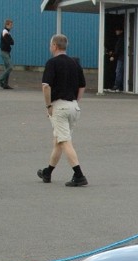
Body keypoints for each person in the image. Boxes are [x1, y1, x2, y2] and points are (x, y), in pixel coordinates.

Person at [37, 34, 88, 187]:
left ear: (54, 46)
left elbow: (46, 86)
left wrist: (48, 106)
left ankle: (79, 175)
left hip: (59, 106)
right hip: (73, 105)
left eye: (50, 45)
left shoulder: (52, 63)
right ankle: (48, 172)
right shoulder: (75, 63)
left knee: (64, 141)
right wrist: (75, 101)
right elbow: (82, 86)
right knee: (58, 140)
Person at [0, 19, 14, 89]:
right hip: (4, 52)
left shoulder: (7, 32)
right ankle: (0, 80)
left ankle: (5, 84)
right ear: (7, 25)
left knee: (7, 68)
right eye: (10, 25)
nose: (12, 26)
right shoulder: (5, 32)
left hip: (6, 52)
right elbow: (10, 41)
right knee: (10, 67)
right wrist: (10, 40)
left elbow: (12, 42)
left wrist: (11, 40)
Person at [109, 27, 124, 92]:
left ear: (121, 31)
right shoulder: (120, 38)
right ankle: (119, 86)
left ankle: (117, 86)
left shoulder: (121, 39)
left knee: (118, 71)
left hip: (121, 58)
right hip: (120, 57)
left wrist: (113, 56)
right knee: (120, 71)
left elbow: (118, 49)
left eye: (117, 30)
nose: (116, 31)